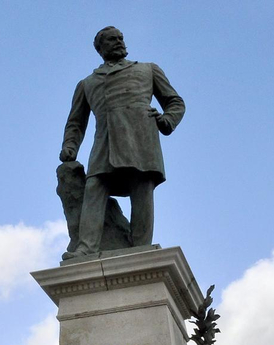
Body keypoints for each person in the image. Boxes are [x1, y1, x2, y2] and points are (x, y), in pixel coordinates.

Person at [61, 26, 184, 258]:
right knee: (95, 186)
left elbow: (175, 102)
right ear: (100, 48)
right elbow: (76, 122)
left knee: (142, 190)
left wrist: (167, 120)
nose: (118, 42)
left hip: (141, 138)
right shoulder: (87, 83)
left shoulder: (148, 70)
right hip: (105, 141)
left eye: (120, 38)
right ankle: (86, 247)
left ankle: (140, 247)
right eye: (111, 39)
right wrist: (70, 146)